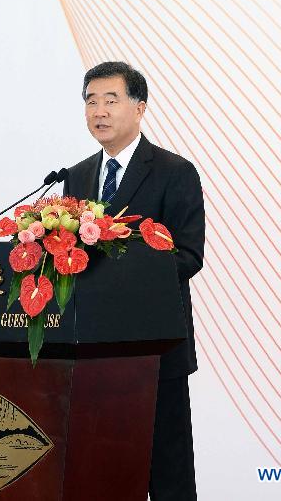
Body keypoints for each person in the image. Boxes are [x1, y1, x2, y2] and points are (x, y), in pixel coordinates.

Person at [63, 61, 205, 501]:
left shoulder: (173, 171)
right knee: (102, 475)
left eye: (111, 100)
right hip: (90, 355)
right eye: (90, 101)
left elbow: (188, 255)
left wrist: (117, 267)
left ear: (139, 108)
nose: (98, 111)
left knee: (168, 477)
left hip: (155, 350)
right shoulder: (77, 175)